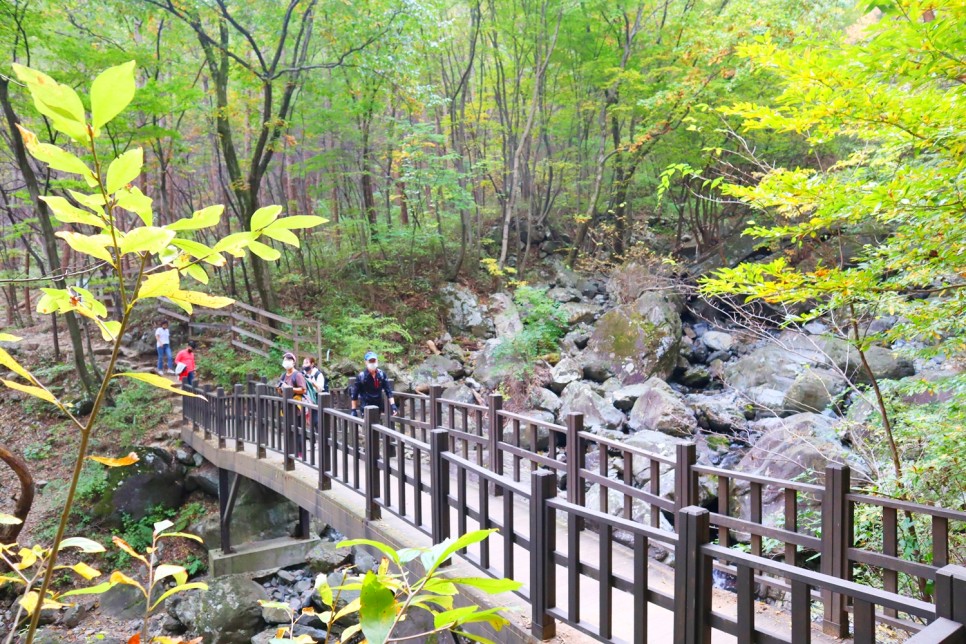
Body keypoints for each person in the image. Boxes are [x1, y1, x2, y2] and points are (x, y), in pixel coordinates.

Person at [350, 351, 398, 418]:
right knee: (367, 427)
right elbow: (354, 394)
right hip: (365, 407)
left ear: (377, 361)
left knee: (376, 425)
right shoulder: (362, 376)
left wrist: (393, 405)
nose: (372, 363)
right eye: (370, 361)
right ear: (366, 362)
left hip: (378, 407)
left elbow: (388, 391)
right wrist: (353, 410)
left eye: (374, 361)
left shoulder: (381, 375)